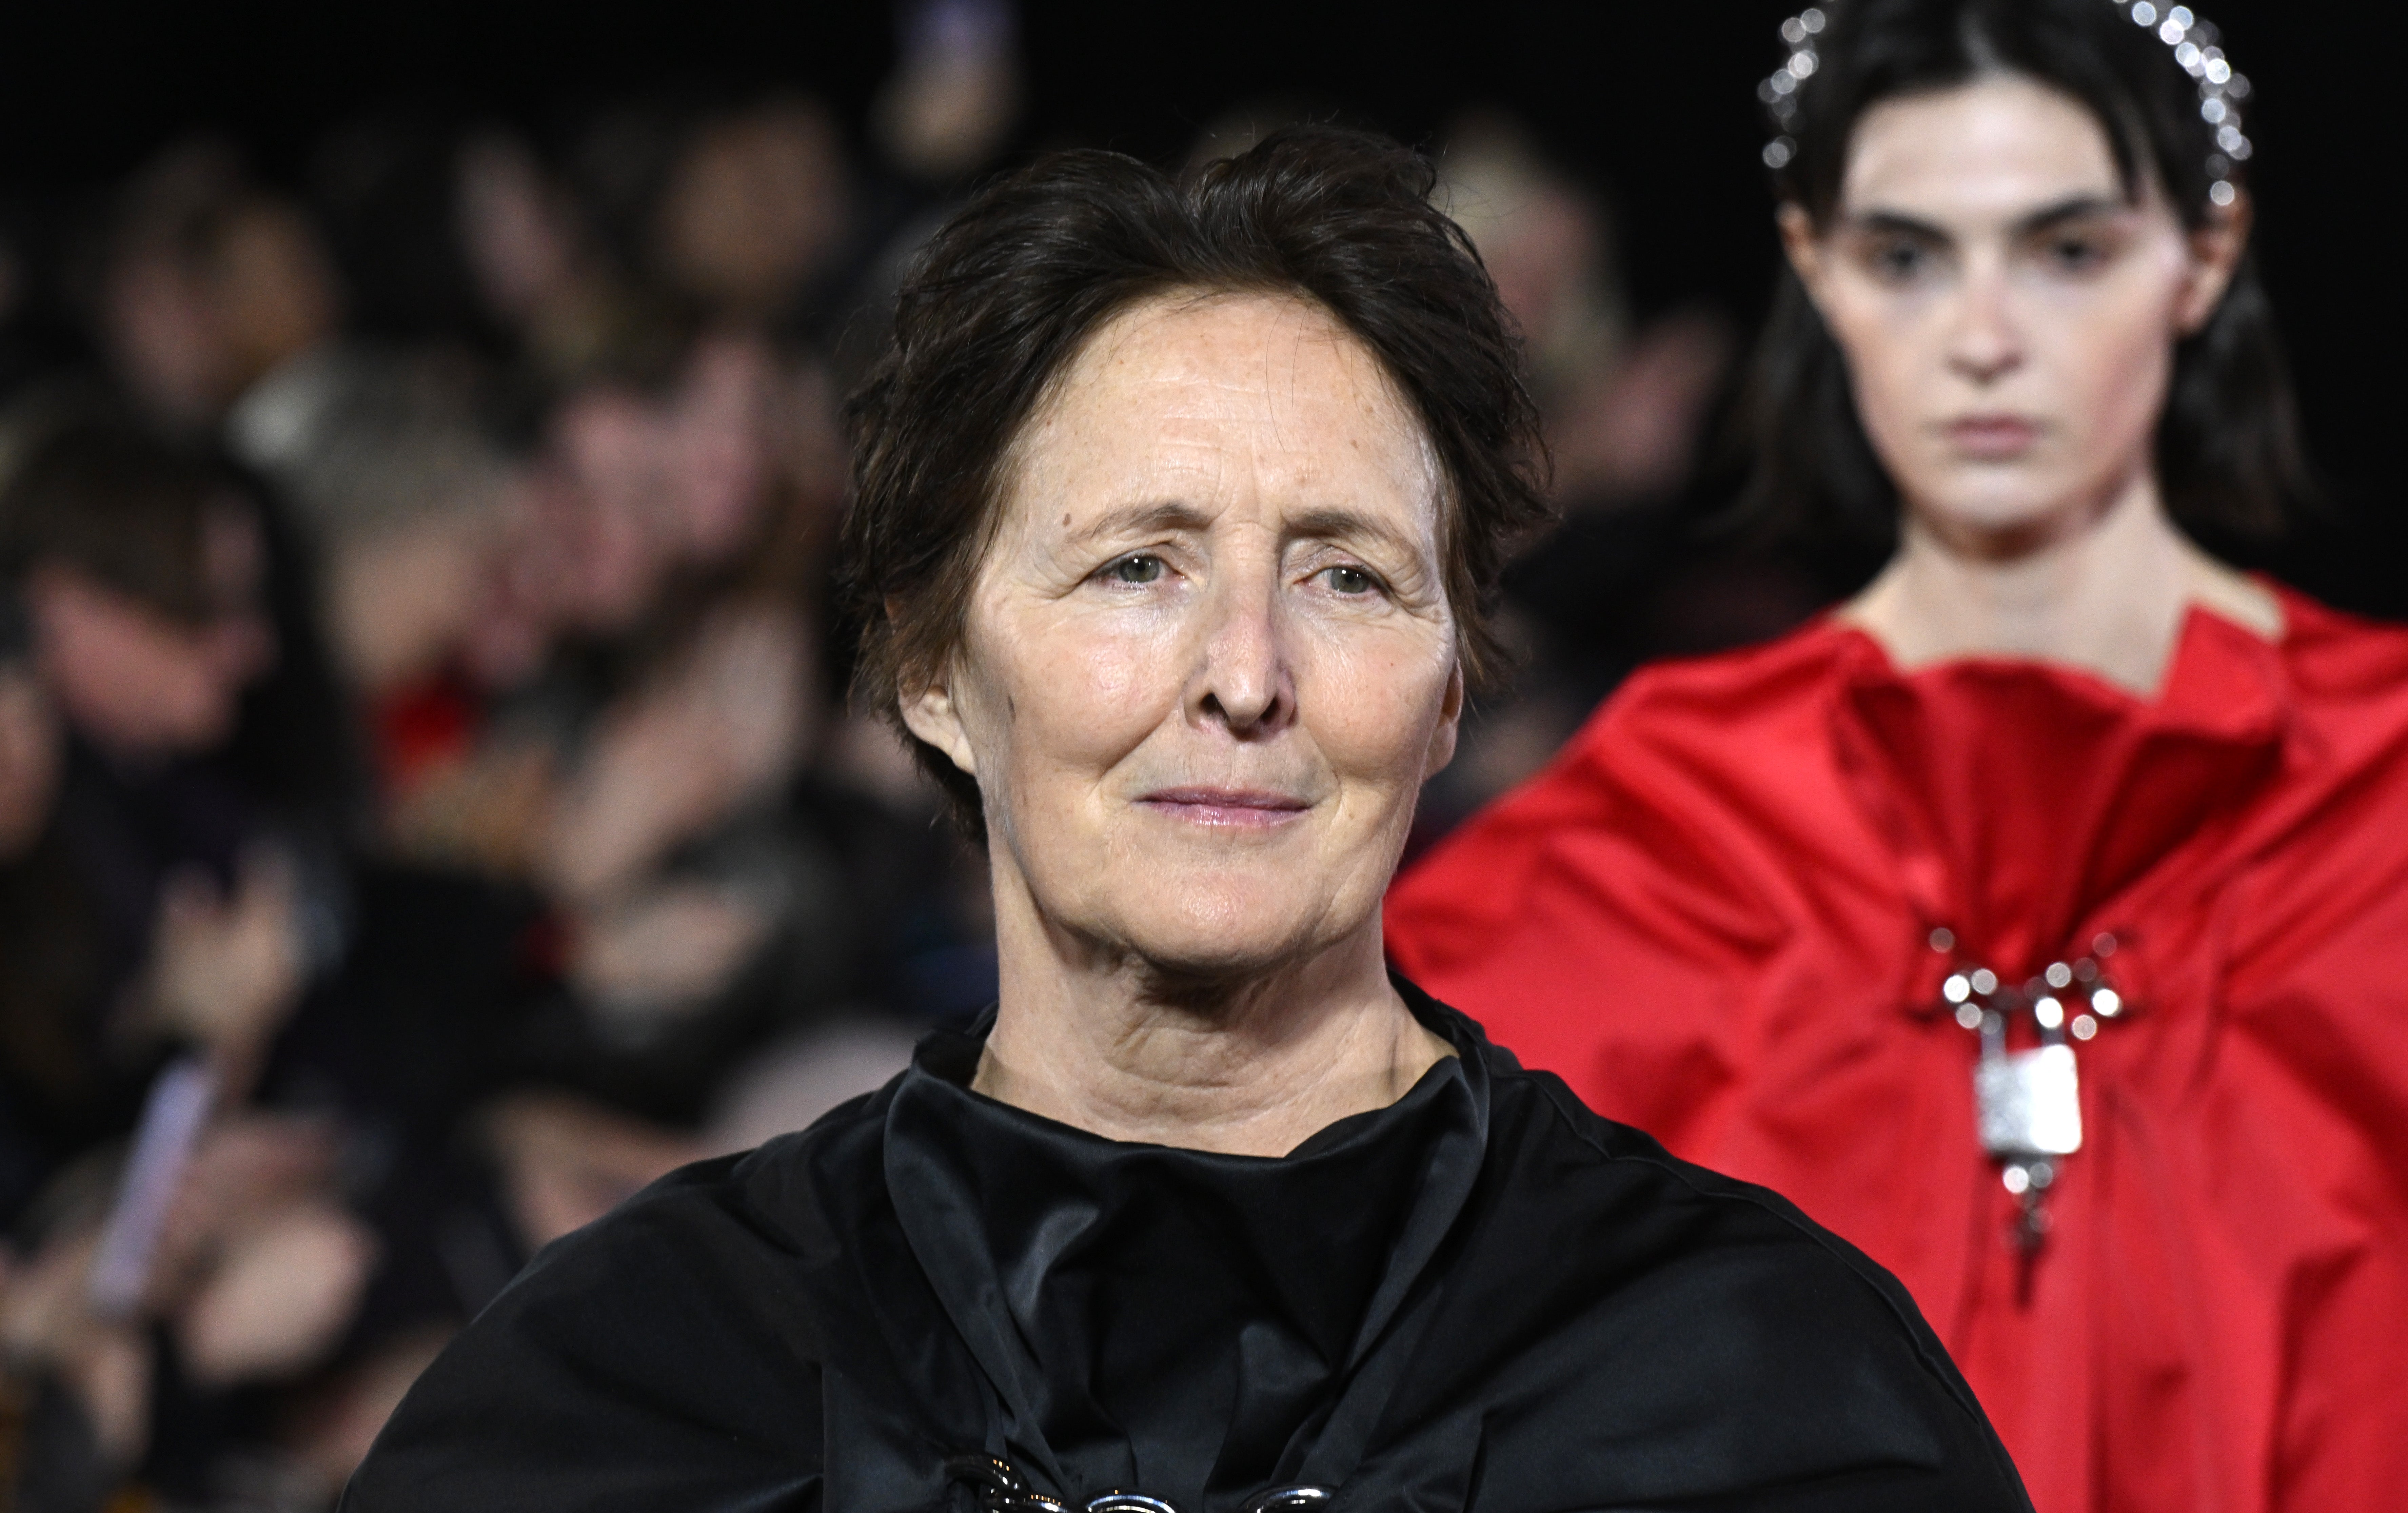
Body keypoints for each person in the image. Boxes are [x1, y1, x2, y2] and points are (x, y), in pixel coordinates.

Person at [344, 129, 2030, 1511]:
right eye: (1138, 565)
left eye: (1347, 575)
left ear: (1450, 690)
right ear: (932, 668)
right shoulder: (644, 1387)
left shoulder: (1749, 1394)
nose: (1245, 673)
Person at [1386, 0, 2408, 1513]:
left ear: (2205, 255)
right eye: (1907, 255)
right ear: (1816, 267)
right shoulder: (1640, 839)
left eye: (2067, 250)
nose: (1983, 336)